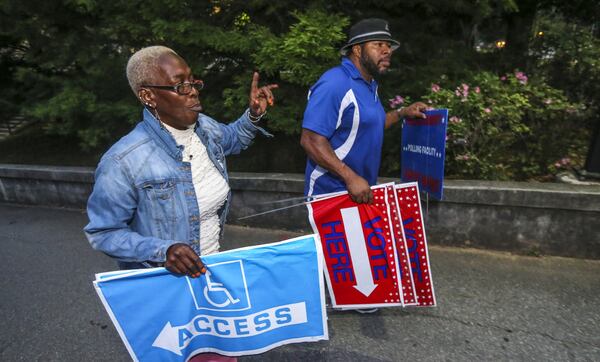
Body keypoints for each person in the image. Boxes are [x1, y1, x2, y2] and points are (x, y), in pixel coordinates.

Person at [85, 45, 277, 279]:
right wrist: (163, 251)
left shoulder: (204, 127)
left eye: (193, 83)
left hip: (210, 270)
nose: (193, 92)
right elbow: (104, 233)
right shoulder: (122, 161)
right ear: (148, 96)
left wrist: (254, 114)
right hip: (163, 285)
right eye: (180, 86)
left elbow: (233, 138)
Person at [301, 18, 428, 204]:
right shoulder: (335, 83)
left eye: (388, 46)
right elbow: (310, 140)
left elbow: (369, 124)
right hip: (331, 196)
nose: (387, 51)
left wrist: (402, 113)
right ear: (358, 50)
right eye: (378, 45)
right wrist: (350, 177)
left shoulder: (369, 85)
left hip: (359, 192)